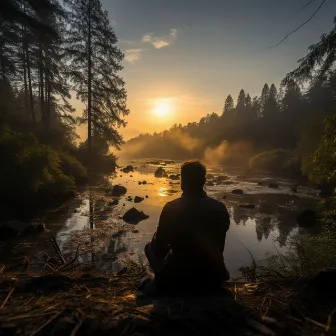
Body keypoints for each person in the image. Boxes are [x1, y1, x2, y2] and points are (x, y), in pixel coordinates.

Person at [144, 161, 230, 295]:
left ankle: (159, 280)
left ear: (182, 181)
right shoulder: (220, 208)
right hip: (214, 278)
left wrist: (159, 235)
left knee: (149, 247)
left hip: (180, 278)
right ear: (203, 180)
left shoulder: (172, 207)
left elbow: (158, 246)